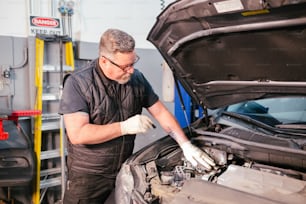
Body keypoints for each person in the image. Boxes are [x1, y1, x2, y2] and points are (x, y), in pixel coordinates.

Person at [59, 28, 215, 203]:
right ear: (104, 61)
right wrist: (124, 127)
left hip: (124, 168)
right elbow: (78, 134)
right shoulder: (78, 83)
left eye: (133, 63)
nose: (131, 70)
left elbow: (161, 112)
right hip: (88, 176)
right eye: (126, 66)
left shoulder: (136, 79)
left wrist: (185, 144)